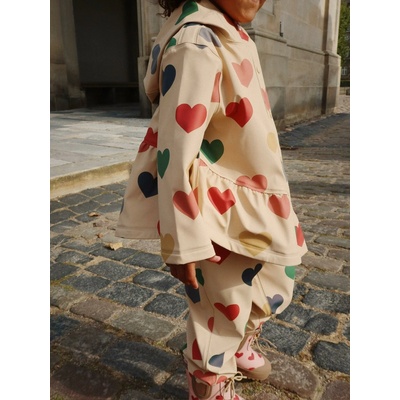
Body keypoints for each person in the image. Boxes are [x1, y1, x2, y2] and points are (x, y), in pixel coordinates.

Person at [116, 0, 308, 398]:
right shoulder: (196, 42)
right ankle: (208, 382)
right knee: (221, 304)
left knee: (277, 276)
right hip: (214, 205)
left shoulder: (229, 31)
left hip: (253, 192)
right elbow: (174, 149)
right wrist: (182, 238)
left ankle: (238, 342)